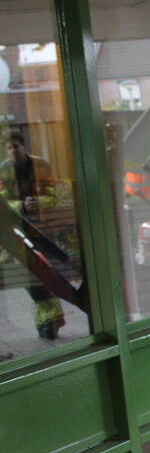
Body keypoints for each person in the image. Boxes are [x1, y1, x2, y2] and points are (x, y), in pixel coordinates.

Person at [0, 130, 69, 339]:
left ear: (24, 146)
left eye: (16, 146)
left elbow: (54, 195)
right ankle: (50, 316)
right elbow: (1, 202)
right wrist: (21, 206)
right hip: (14, 232)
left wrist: (39, 203)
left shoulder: (41, 166)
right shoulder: (3, 171)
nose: (14, 150)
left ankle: (49, 319)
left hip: (44, 229)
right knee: (29, 273)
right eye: (9, 147)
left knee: (41, 271)